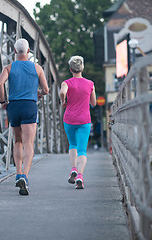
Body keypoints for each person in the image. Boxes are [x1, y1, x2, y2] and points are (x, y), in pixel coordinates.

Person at [0, 38, 49, 195]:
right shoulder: (37, 68)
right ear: (28, 51)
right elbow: (46, 90)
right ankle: (25, 176)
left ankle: (18, 173)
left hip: (14, 106)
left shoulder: (9, 67)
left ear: (14, 51)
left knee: (18, 141)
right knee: (29, 143)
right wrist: (39, 93)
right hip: (29, 106)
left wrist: (3, 101)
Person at [59, 56, 96, 189]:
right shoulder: (90, 84)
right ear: (82, 68)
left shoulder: (66, 83)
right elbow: (94, 103)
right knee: (82, 150)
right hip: (84, 120)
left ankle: (73, 169)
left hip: (69, 119)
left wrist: (63, 101)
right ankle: (80, 175)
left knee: (72, 144)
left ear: (70, 69)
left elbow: (62, 92)